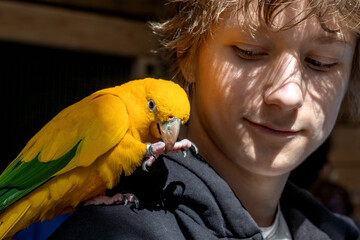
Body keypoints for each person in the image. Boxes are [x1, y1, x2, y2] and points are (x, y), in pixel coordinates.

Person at [50, 0, 360, 239]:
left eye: (321, 63)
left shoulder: (340, 233)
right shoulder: (117, 230)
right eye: (249, 52)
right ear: (187, 54)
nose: (287, 94)